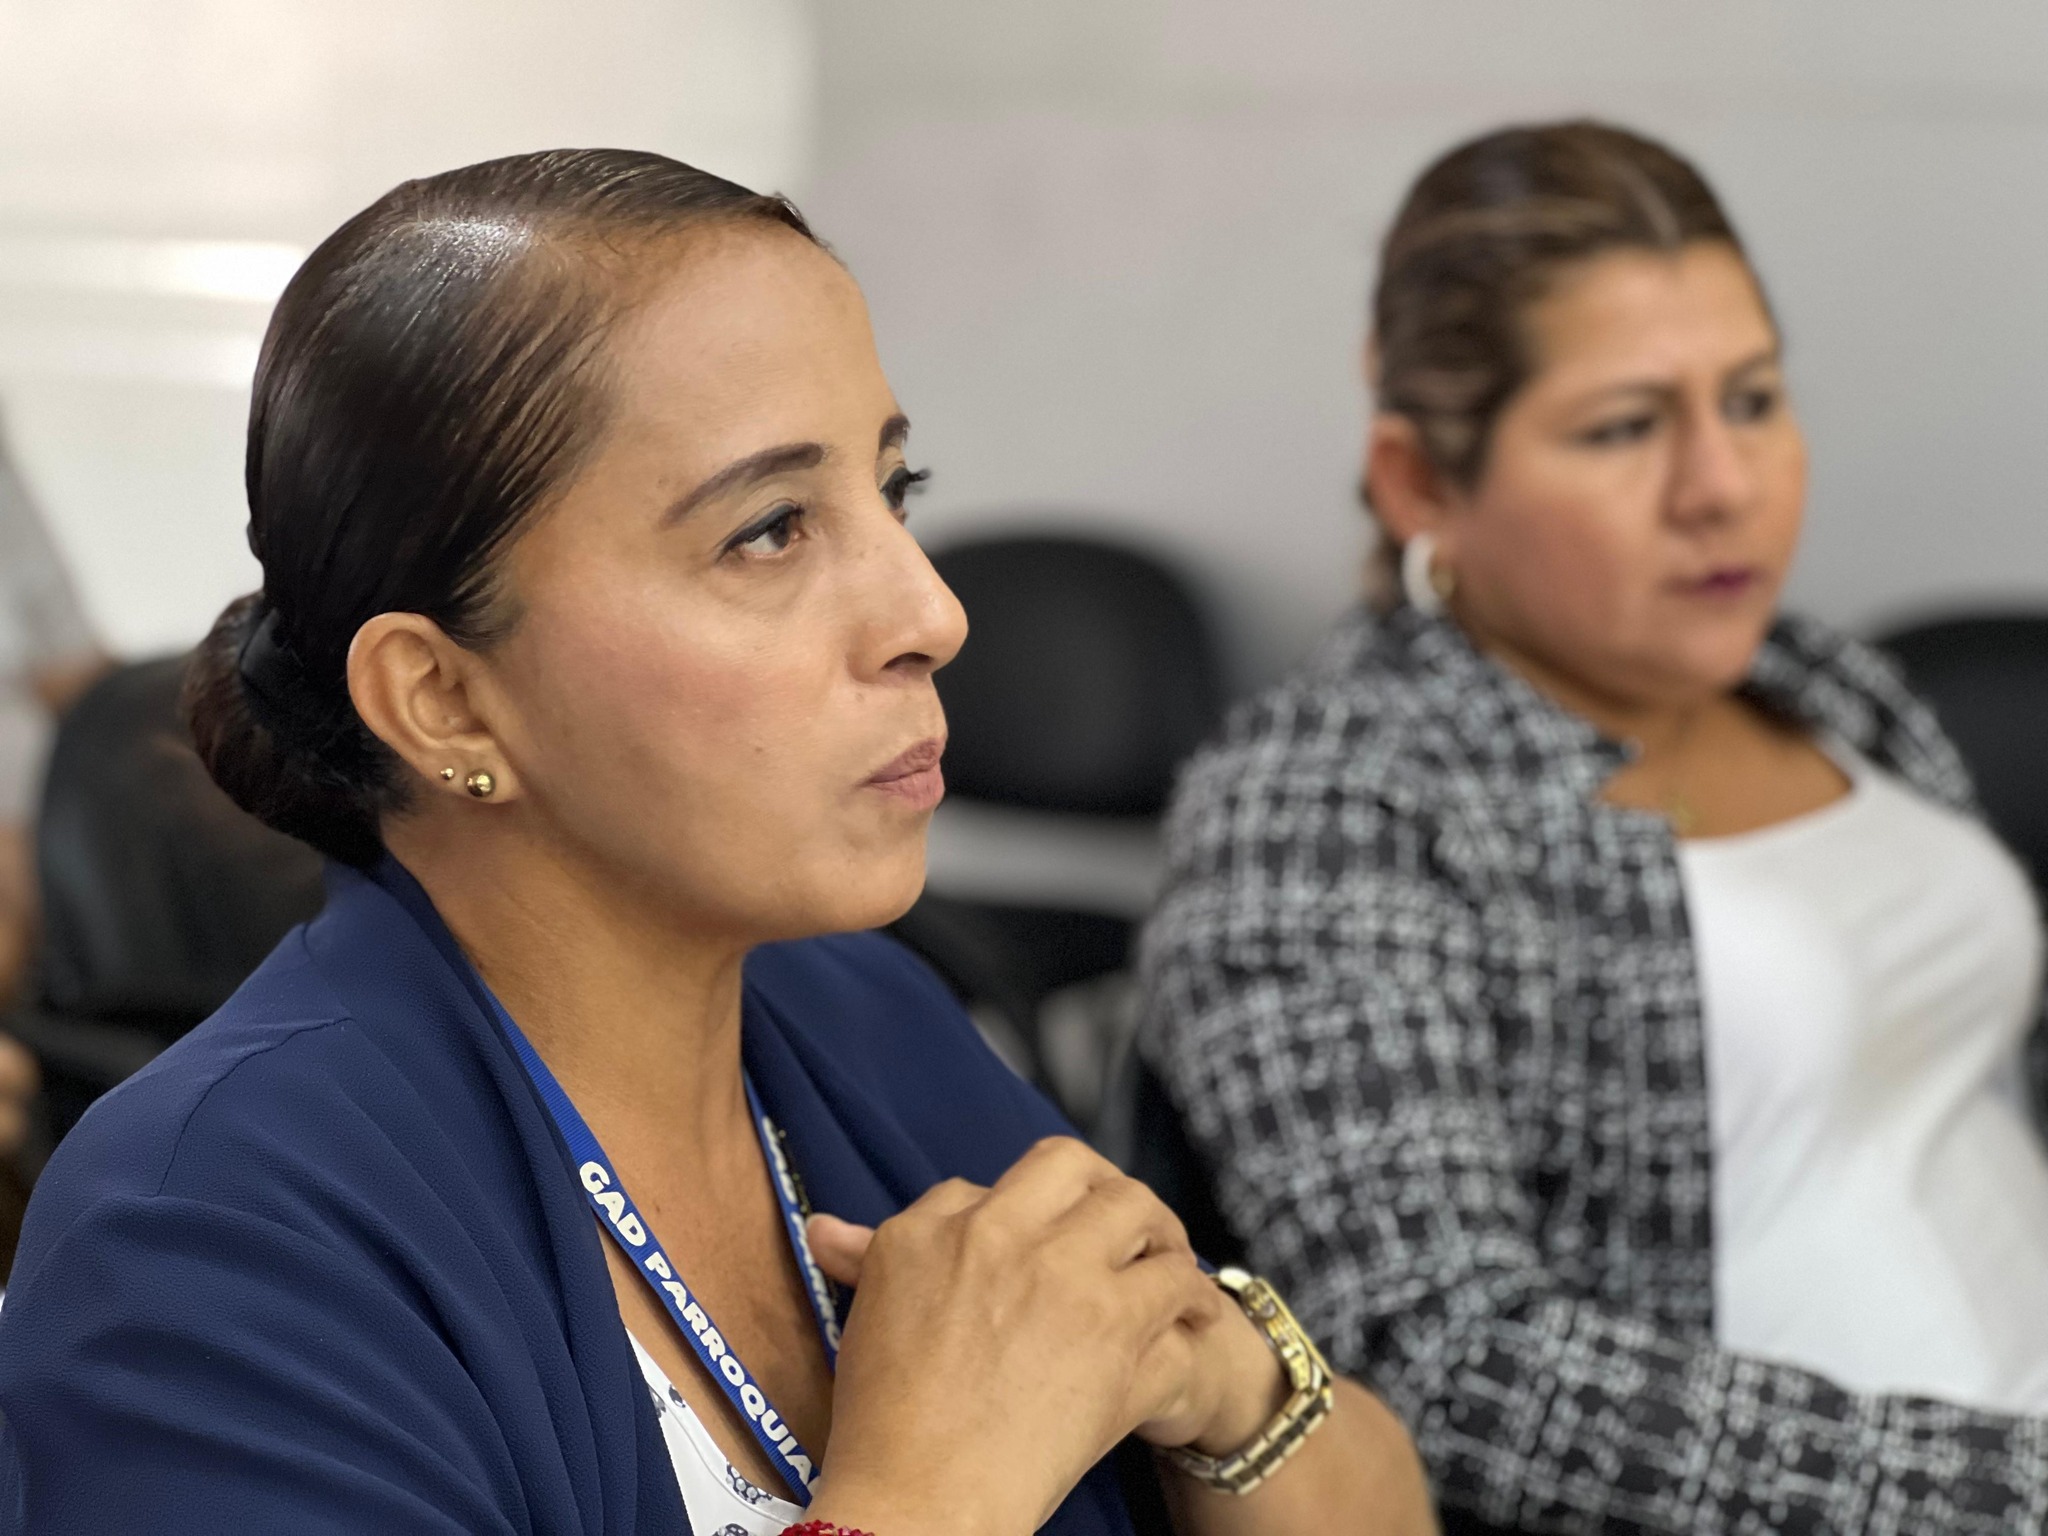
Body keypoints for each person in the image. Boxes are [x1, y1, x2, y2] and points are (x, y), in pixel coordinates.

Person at [0, 151, 1432, 1536]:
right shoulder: (206, 1236)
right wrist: (936, 1494)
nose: (931, 613)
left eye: (895, 492)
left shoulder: (862, 1013)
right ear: (444, 700)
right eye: (769, 531)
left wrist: (1225, 1384)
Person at [1140, 119, 2048, 1534]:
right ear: (1421, 484)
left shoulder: (1825, 687)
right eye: (1626, 426)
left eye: (1752, 400)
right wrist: (2002, 1486)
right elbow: (1440, 1362)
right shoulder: (1328, 803)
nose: (1722, 485)